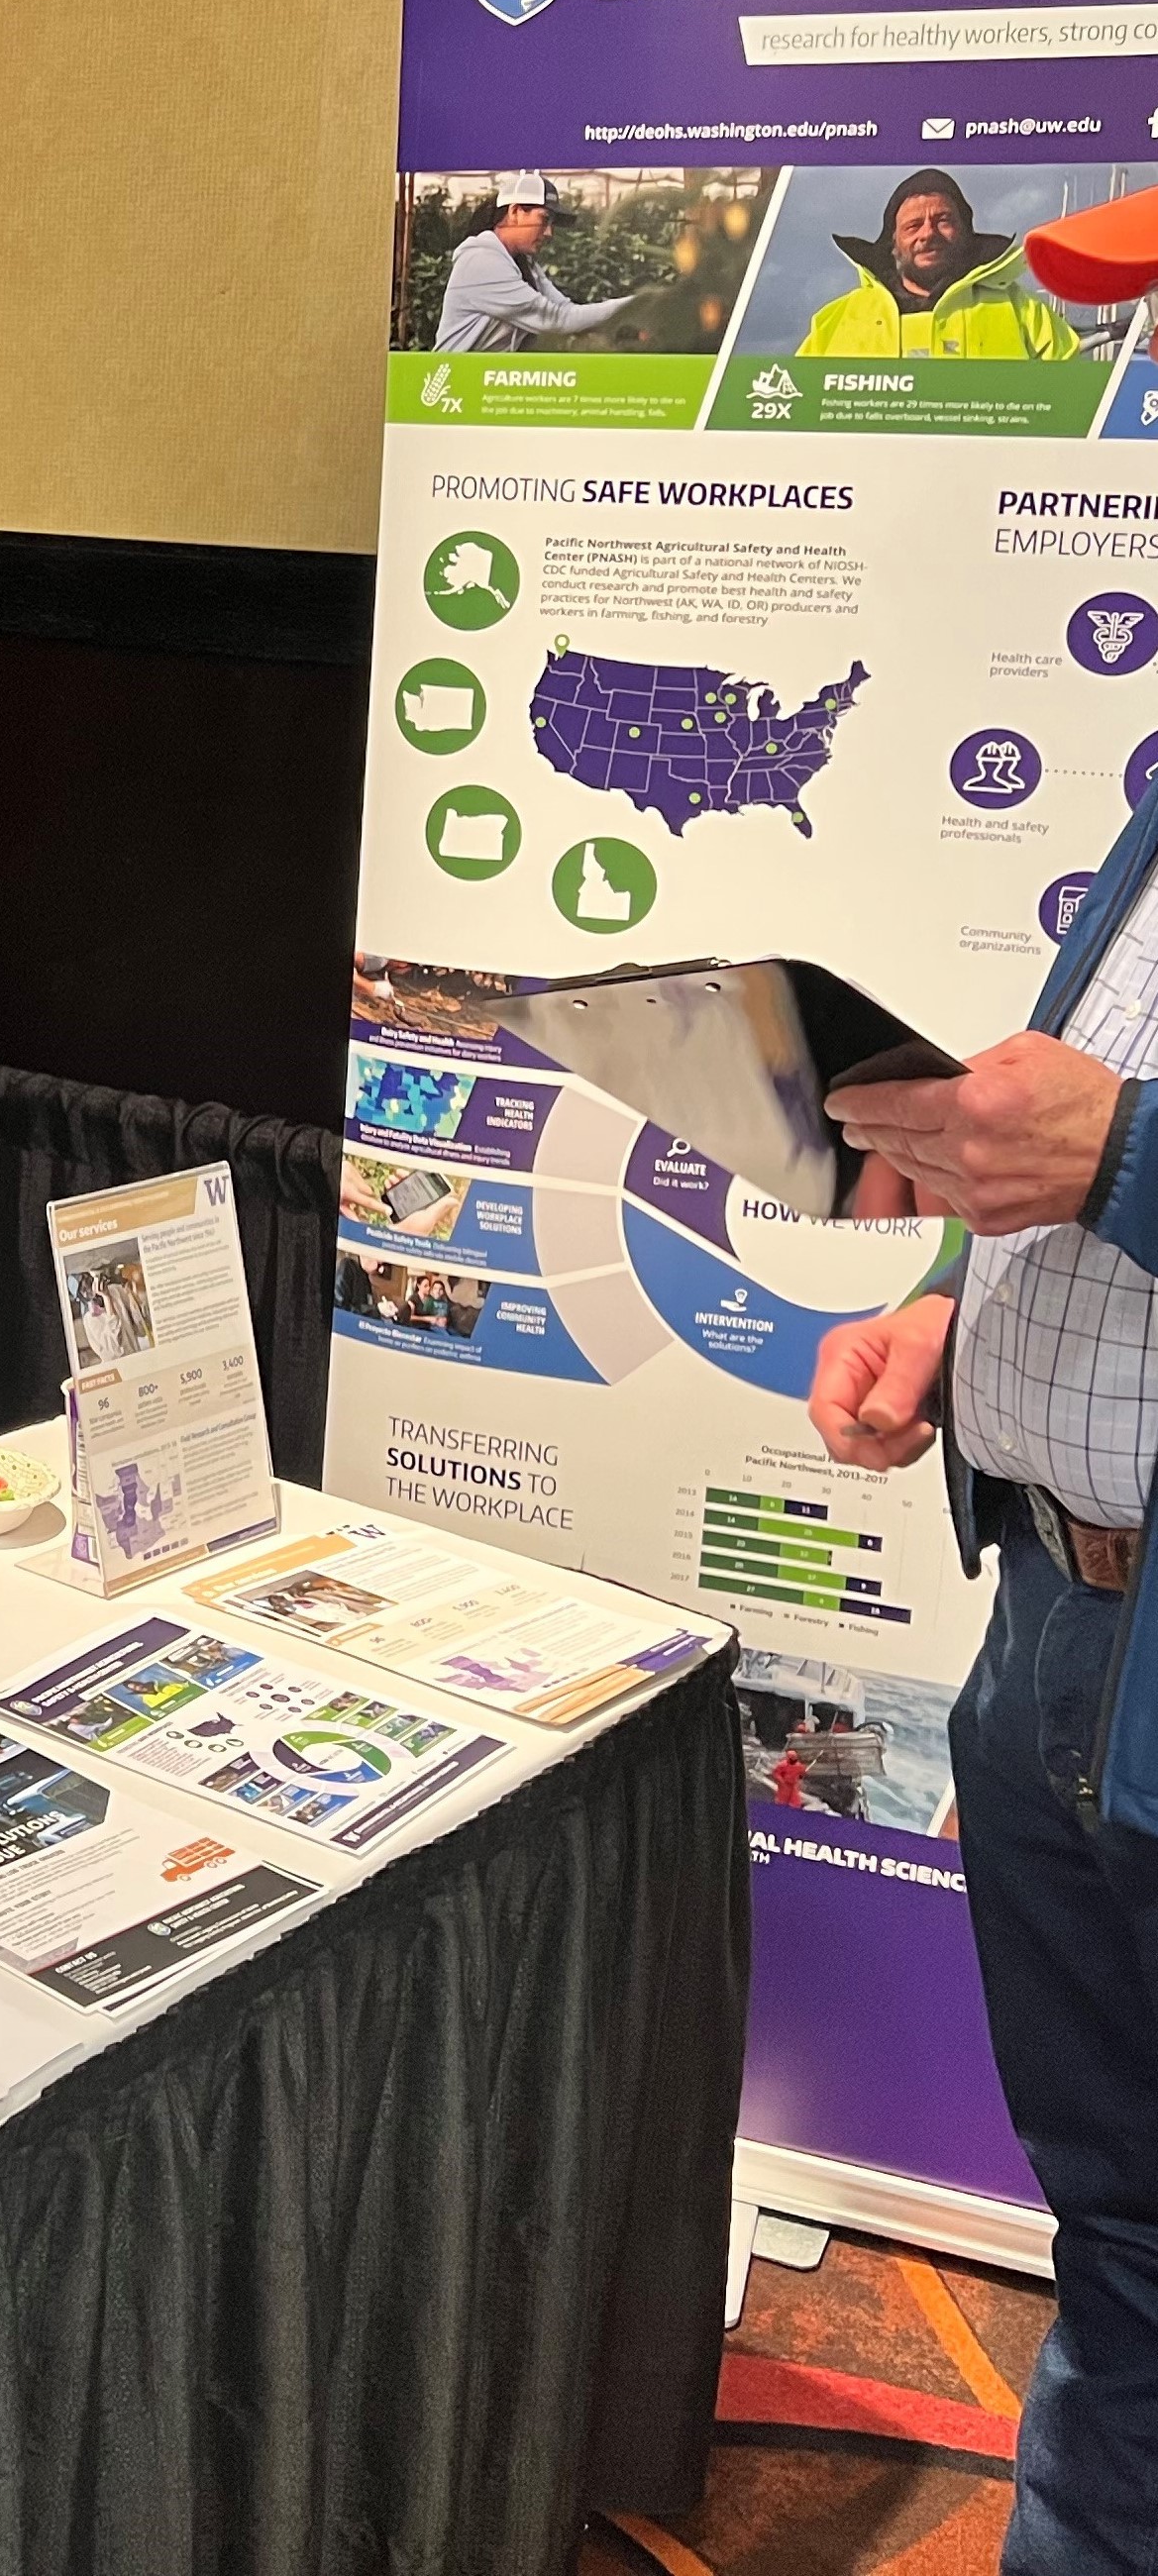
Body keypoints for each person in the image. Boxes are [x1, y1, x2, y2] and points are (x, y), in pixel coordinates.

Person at [807, 768, 1158, 2571]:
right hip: (1053, 1632)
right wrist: (953, 1320)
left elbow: (1121, 1155)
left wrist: (1121, 1153)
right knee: (1114, 2231)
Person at [796, 166, 1083, 361]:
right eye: (913, 225)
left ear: (966, 232)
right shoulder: (835, 320)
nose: (928, 234)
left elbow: (1073, 398)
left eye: (943, 221)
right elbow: (800, 410)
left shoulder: (1024, 312)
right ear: (892, 243)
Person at [432, 171, 644, 352]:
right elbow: (557, 320)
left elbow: (565, 309)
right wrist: (641, 304)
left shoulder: (522, 262)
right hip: (453, 382)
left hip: (482, 380)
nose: (549, 232)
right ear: (515, 212)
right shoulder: (481, 260)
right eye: (543, 220)